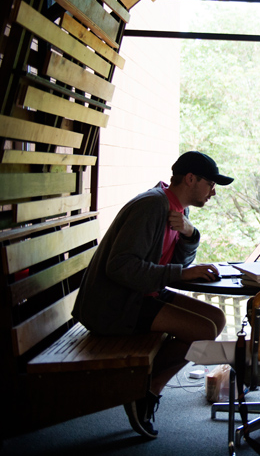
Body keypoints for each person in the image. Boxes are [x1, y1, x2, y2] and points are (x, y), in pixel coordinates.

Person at [72, 151, 234, 439]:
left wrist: (190, 233)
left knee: (216, 318)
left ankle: (143, 388)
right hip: (113, 306)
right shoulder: (151, 206)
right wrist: (179, 274)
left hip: (140, 295)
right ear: (190, 178)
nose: (213, 192)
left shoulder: (176, 209)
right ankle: (146, 389)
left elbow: (178, 264)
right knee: (203, 330)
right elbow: (120, 267)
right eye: (211, 184)